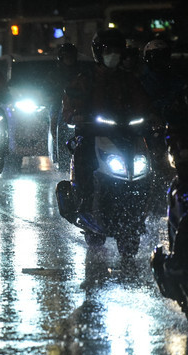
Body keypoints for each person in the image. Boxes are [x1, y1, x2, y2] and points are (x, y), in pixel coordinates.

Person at [61, 29, 149, 220]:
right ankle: (84, 200)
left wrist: (152, 117)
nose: (113, 55)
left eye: (117, 51)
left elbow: (142, 102)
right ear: (99, 52)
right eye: (109, 50)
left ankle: (145, 203)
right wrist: (76, 115)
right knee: (84, 157)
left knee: (145, 164)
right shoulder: (86, 79)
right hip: (93, 132)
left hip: (125, 133)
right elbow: (71, 102)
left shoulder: (129, 79)